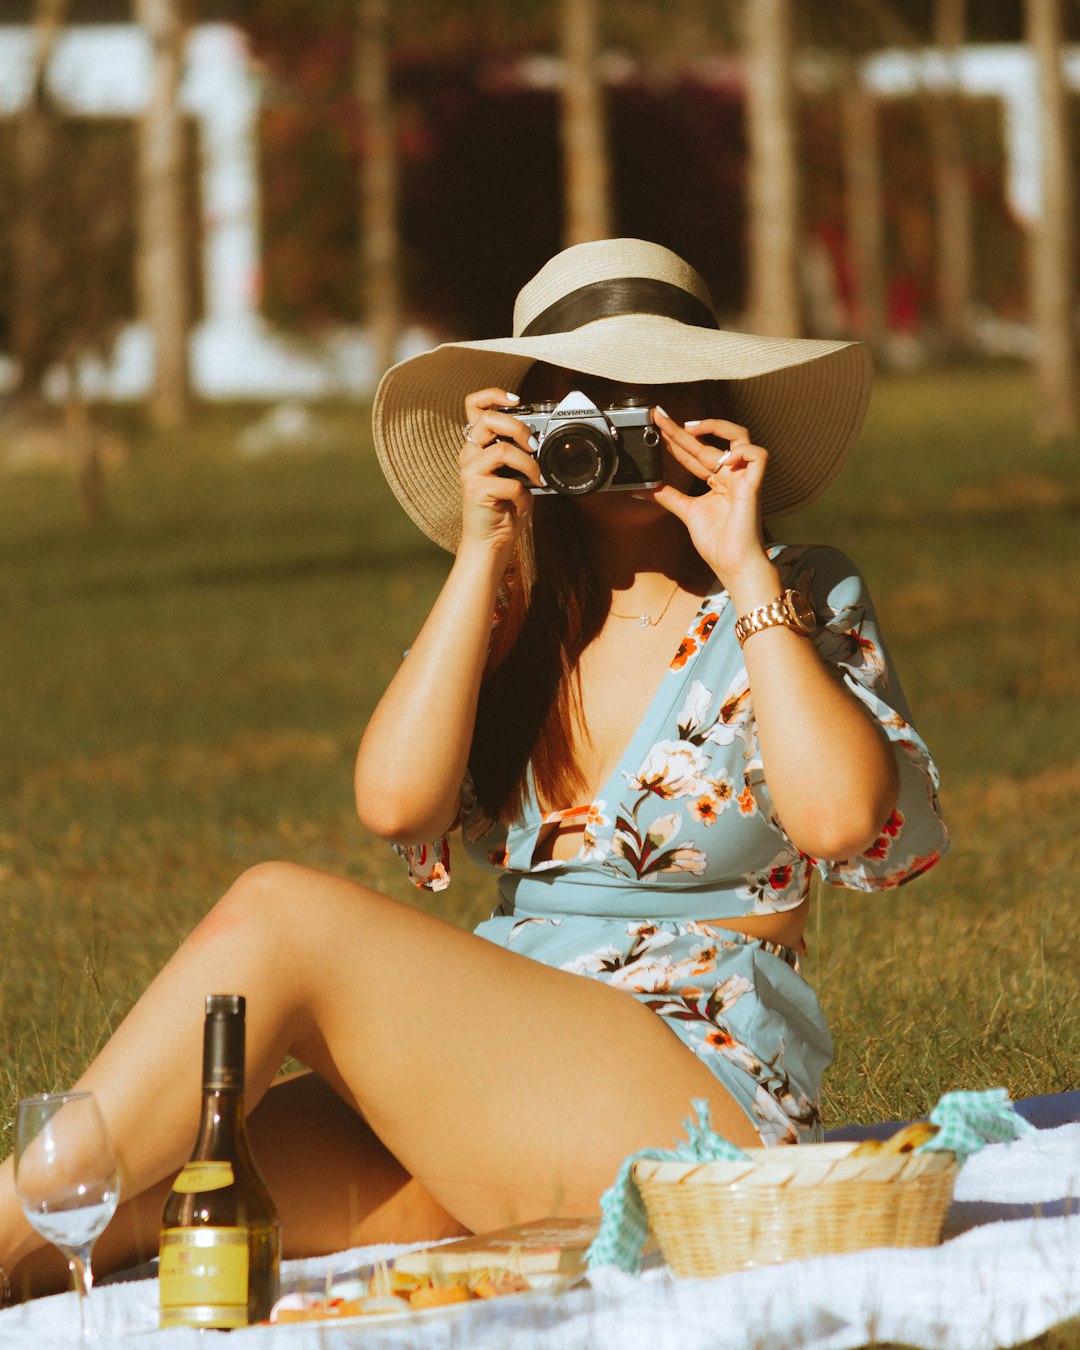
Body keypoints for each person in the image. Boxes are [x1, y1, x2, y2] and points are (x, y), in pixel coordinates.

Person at [0, 238, 947, 1297]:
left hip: (691, 1107)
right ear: (536, 424)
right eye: (587, 403)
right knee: (141, 1211)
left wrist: (746, 568)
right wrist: (481, 549)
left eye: (658, 398)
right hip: (505, 1090)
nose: (625, 433)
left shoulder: (792, 594)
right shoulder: (519, 618)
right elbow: (394, 802)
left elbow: (840, 819)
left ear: (716, 408)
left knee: (278, 912)